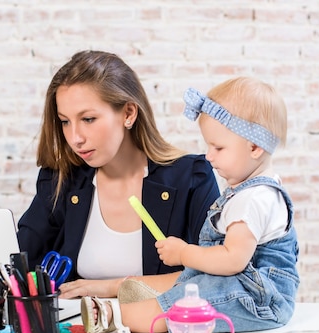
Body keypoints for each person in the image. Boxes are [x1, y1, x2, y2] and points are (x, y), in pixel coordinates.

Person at [81, 76, 300, 333]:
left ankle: (115, 315)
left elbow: (233, 260)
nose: (209, 155)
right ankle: (140, 299)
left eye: (218, 147)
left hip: (259, 298)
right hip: (241, 286)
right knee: (193, 284)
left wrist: (184, 253)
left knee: (186, 304)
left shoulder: (253, 199)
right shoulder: (251, 192)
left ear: (254, 147)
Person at [16, 50, 220, 300]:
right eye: (65, 122)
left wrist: (111, 287)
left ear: (128, 113)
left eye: (88, 119)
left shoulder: (191, 178)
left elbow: (212, 278)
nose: (75, 138)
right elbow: (18, 266)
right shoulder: (60, 181)